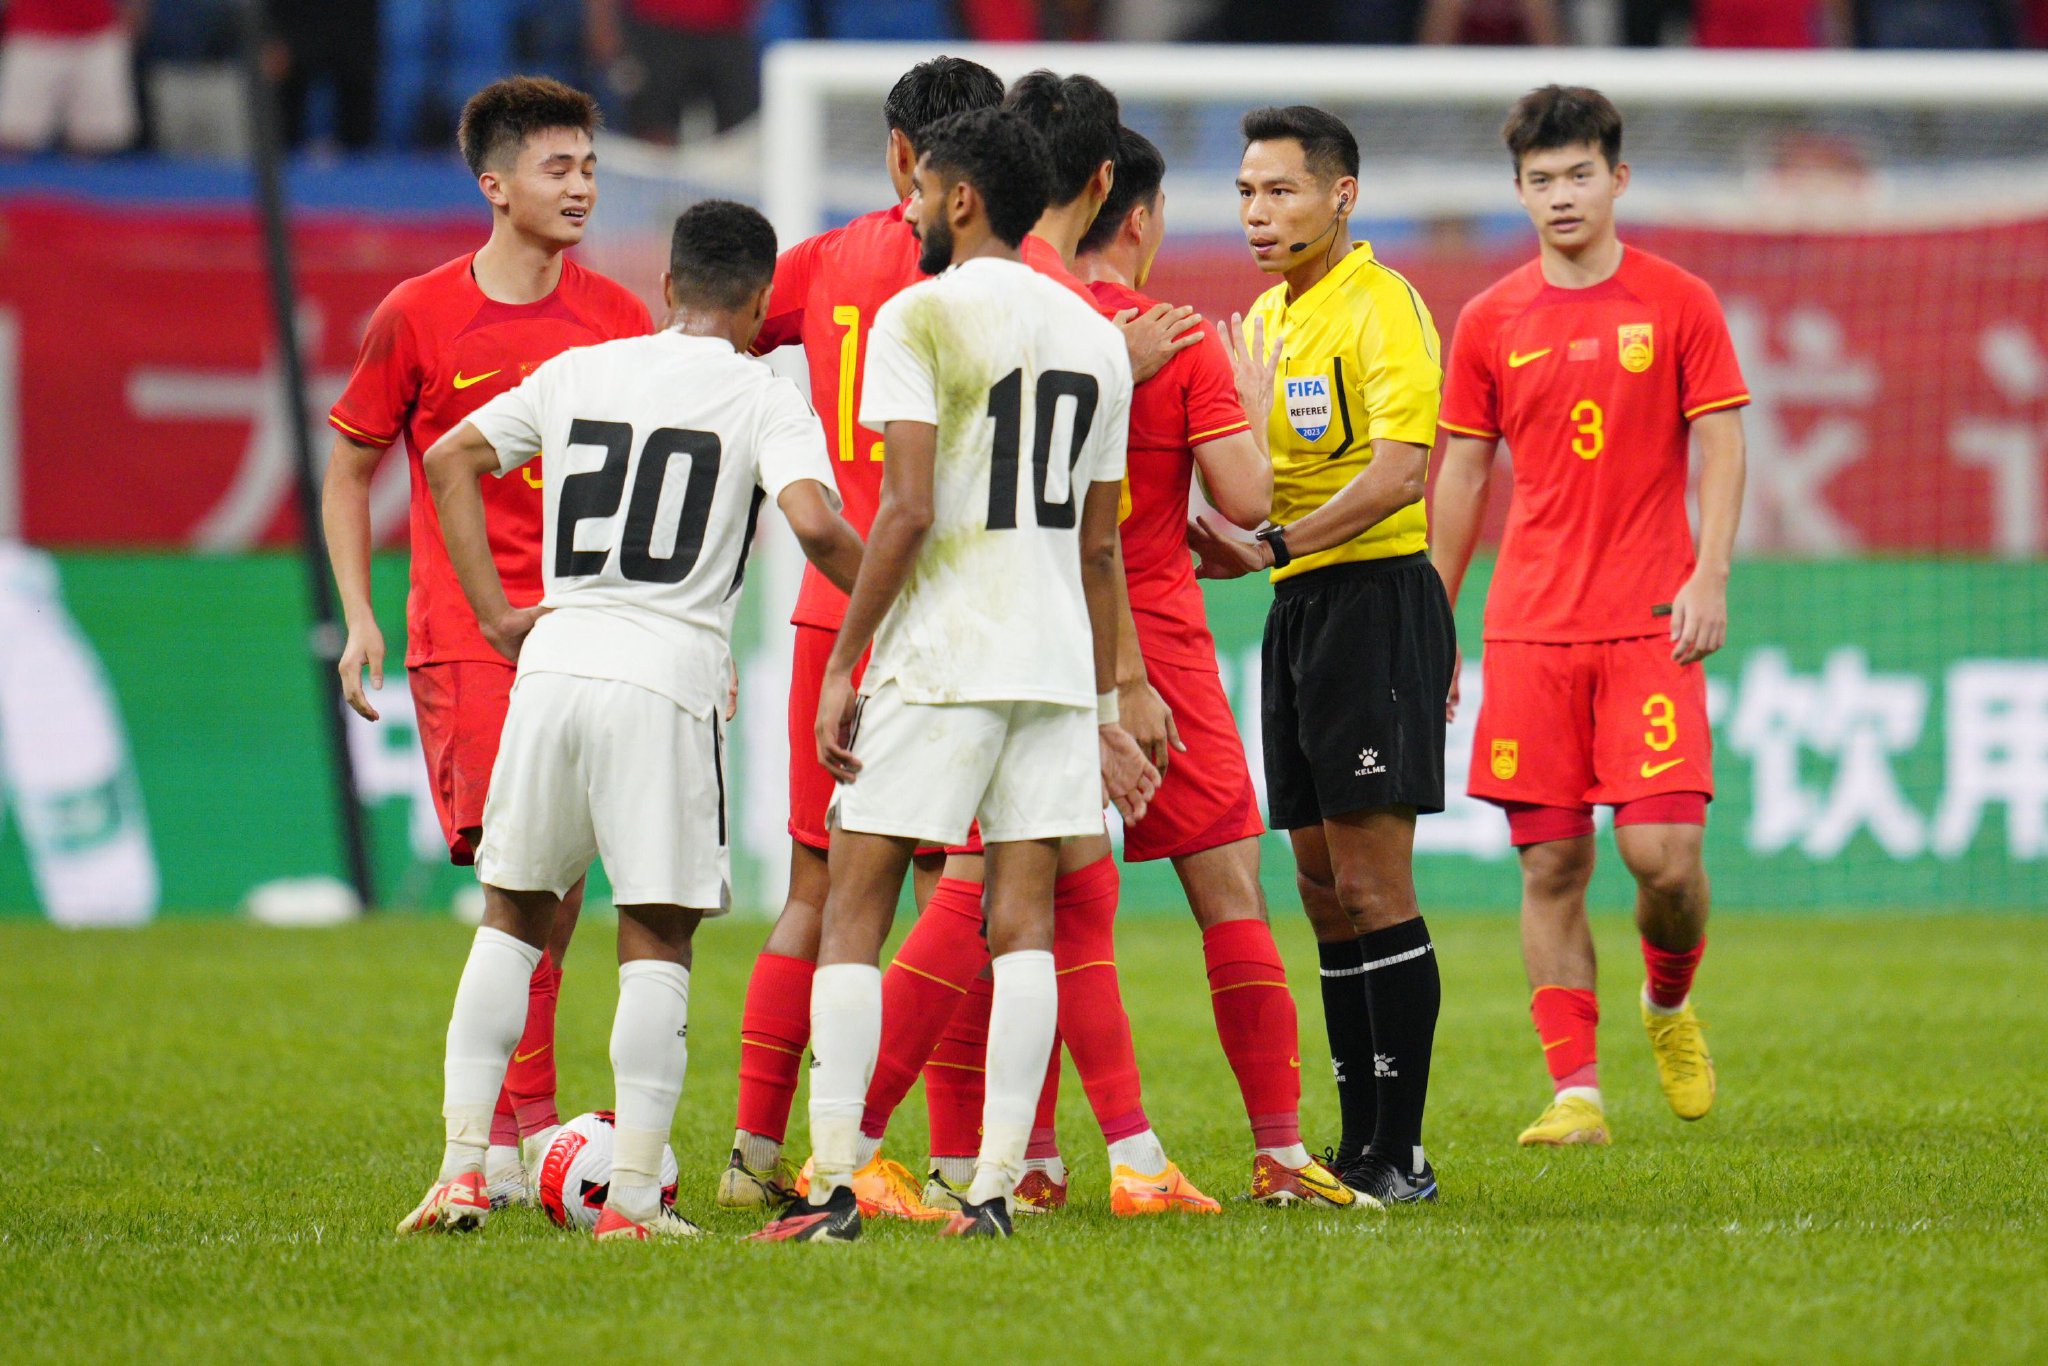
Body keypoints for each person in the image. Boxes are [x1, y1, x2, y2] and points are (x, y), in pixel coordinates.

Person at [725, 59, 1203, 1219]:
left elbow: (903, 509)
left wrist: (848, 656)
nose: (906, 211)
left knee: (856, 896)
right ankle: (994, 1180)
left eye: (921, 193)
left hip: (940, 650)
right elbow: (1100, 548)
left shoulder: (916, 312)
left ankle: (833, 1175)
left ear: (962, 199)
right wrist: (1101, 703)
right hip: (1047, 658)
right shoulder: (1095, 336)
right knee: (1022, 914)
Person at [395, 198, 864, 1241]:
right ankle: (638, 1199)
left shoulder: (584, 369)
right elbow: (815, 525)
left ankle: (462, 1170)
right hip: (664, 675)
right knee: (655, 935)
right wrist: (900, 598)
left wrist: (496, 614)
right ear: (756, 303)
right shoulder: (760, 392)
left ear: (665, 287)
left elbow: (445, 462)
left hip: (555, 662)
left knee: (512, 917)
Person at [324, 77, 651, 1207]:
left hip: (589, 630)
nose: (580, 187)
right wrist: (360, 615)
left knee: (562, 883)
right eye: (558, 168)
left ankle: (514, 1136)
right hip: (466, 636)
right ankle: (508, 1141)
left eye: (590, 168)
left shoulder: (617, 317)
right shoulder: (417, 312)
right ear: (494, 183)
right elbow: (351, 462)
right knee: (521, 875)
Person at [715, 55, 1004, 1220]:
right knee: (965, 880)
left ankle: (748, 1150)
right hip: (961, 611)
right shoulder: (1005, 274)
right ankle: (938, 1157)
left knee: (814, 887)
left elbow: (718, 334)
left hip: (834, 601)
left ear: (897, 152)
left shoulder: (828, 261)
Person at [1430, 85, 1747, 1147]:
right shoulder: (1488, 320)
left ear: (1616, 179)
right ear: (1515, 190)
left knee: (1662, 857)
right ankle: (1575, 1091)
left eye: (1577, 175)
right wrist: (1435, 614)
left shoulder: (1678, 302)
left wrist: (1708, 573)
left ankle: (1665, 998)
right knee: (1549, 864)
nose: (1558, 196)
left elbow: (1720, 443)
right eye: (1538, 179)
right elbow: (1463, 477)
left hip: (1648, 619)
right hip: (1529, 627)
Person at [1074, 125, 1352, 1207]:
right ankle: (1279, 1153)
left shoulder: (1022, 320)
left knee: (1028, 899)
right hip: (1152, 635)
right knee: (1228, 889)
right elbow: (1246, 501)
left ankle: (1034, 1161)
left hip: (1032, 627)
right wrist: (1251, 388)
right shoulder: (1173, 336)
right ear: (1136, 217)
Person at [1189, 104, 1453, 1207]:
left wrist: (1276, 542)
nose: (1258, 213)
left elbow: (1402, 469)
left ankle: (1401, 1150)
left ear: (1340, 196)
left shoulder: (1380, 306)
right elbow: (1249, 485)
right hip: (1297, 607)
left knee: (1369, 879)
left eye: (1281, 191)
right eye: (1246, 192)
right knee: (1313, 882)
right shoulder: (1265, 320)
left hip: (1374, 598)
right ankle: (1352, 1152)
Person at [0, 0, 143, 154]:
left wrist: (134, 15)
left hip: (96, 37)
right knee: (13, 137)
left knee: (98, 140)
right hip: (31, 35)